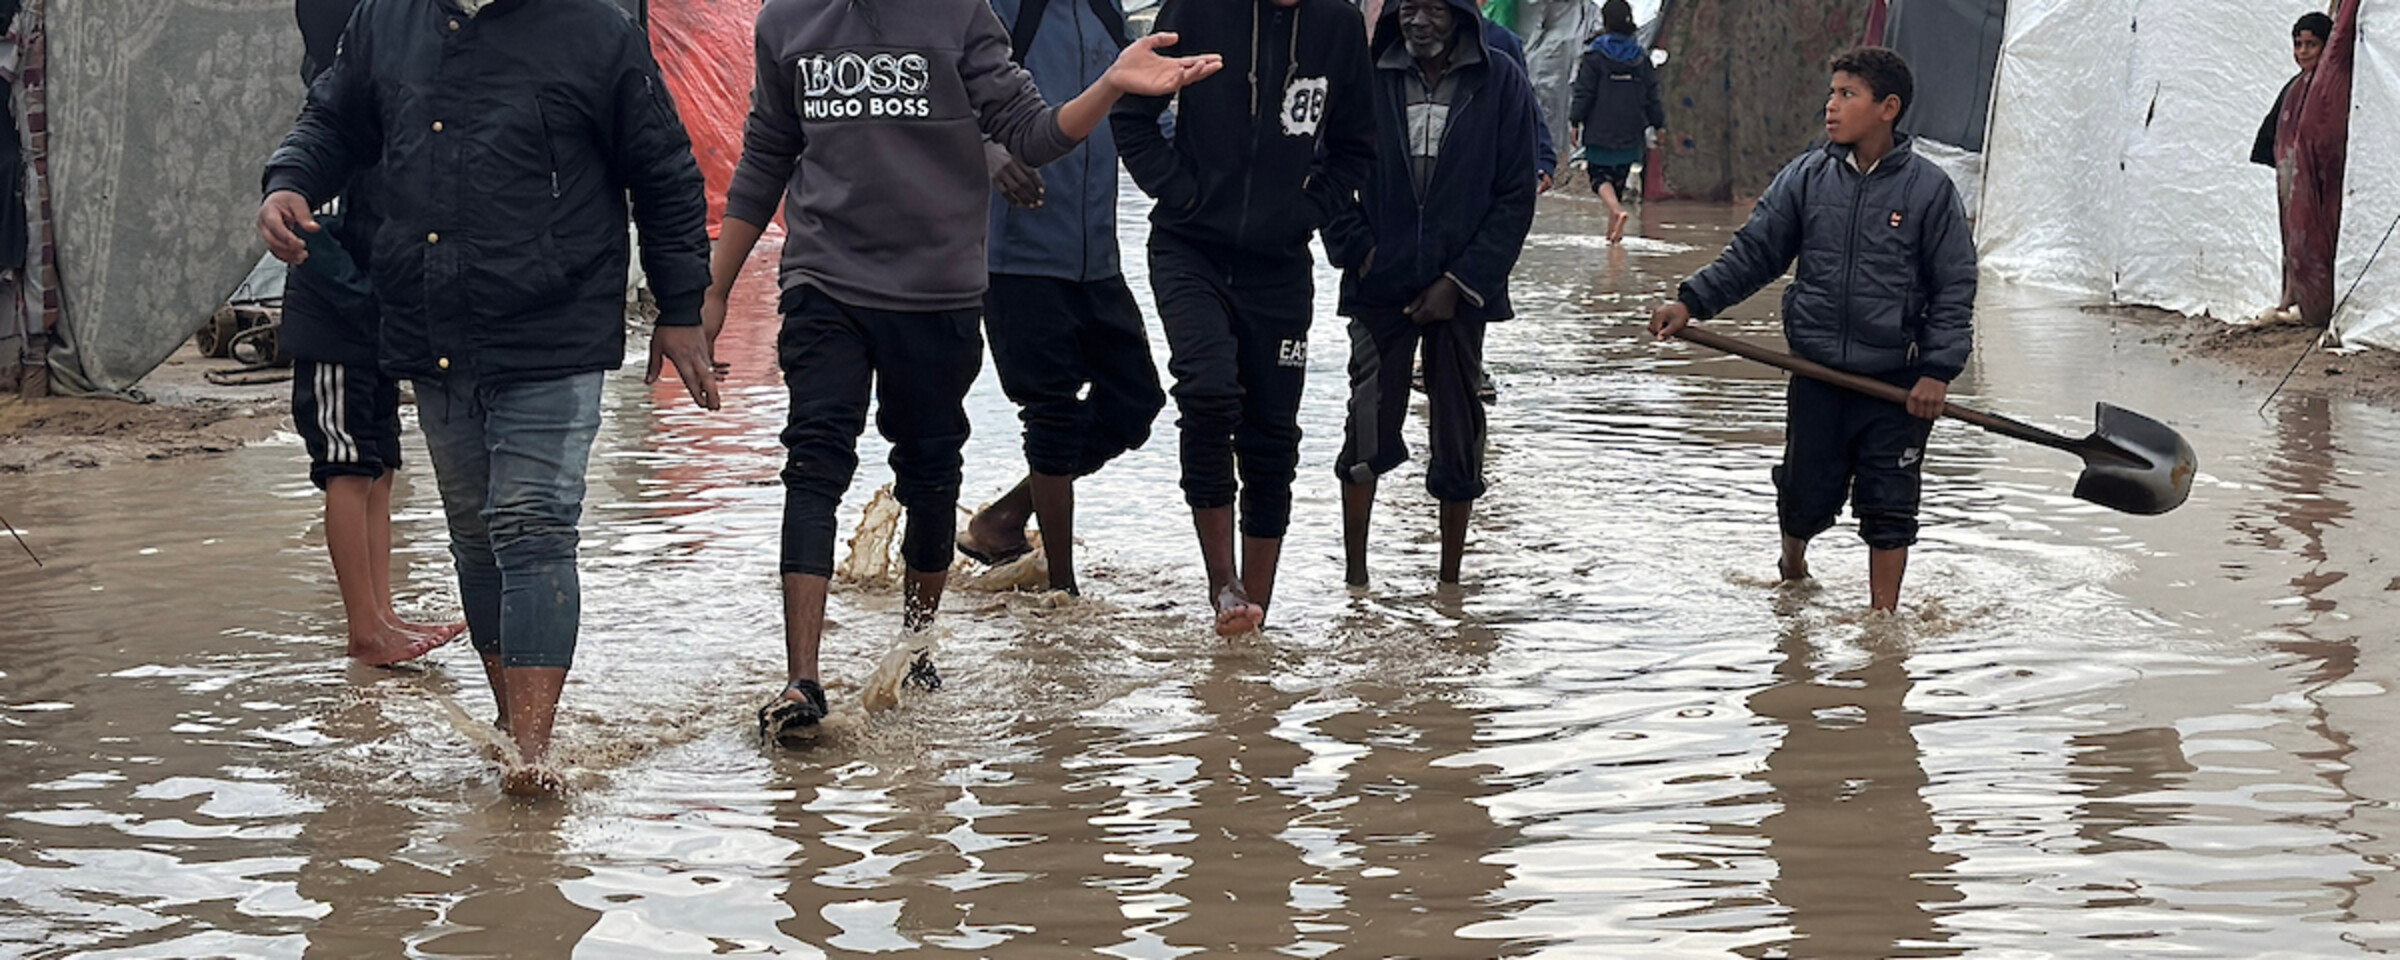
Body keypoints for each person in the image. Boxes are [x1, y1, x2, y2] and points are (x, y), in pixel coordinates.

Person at [707, 0, 1221, 744]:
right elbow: (765, 154)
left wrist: (1112, 84)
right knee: (814, 456)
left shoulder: (960, 14)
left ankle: (916, 646)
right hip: (824, 277)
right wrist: (714, 290)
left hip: (936, 290)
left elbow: (1035, 135)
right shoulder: (786, 20)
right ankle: (802, 680)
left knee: (930, 470)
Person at [259, 0, 720, 797]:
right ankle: (514, 728)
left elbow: (666, 173)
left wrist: (681, 312)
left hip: (556, 321)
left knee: (532, 523)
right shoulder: (385, 20)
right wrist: (290, 182)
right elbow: (334, 119)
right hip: (432, 321)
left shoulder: (594, 29)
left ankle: (534, 758)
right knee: (476, 537)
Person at [1647, 47, 1975, 613]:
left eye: (1848, 95)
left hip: (1896, 384)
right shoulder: (1806, 178)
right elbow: (1754, 254)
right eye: (1832, 93)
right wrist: (1691, 301)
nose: (1831, 105)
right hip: (1816, 370)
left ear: (1888, 108)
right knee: (1803, 492)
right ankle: (1793, 570)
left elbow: (1954, 287)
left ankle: (1884, 622)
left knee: (1890, 503)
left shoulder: (1929, 192)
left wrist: (1937, 373)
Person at [1111, 0, 1376, 637]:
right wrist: (1184, 191)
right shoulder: (1198, 9)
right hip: (1189, 246)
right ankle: (1222, 582)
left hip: (1279, 262)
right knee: (1207, 389)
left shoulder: (1336, 27)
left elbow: (1357, 148)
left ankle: (1253, 610)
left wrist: (1306, 211)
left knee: (1272, 433)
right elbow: (1131, 116)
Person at [956, 0, 1168, 598]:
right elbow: (941, 99)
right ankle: (1062, 592)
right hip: (1013, 253)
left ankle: (1004, 518)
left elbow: (1141, 110)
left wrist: (1196, 179)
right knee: (1048, 409)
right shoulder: (1000, 8)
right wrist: (989, 152)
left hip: (1095, 255)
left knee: (1136, 403)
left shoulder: (1104, 11)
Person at [1325, 0, 1537, 588]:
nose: (1419, 22)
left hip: (1463, 291)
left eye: (1434, 9)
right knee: (1365, 425)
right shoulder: (1365, 76)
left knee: (1458, 427)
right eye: (1407, 8)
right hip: (1378, 285)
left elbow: (1516, 195)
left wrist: (1462, 281)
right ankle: (1356, 584)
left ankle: (1450, 585)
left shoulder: (1501, 81)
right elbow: (1326, 169)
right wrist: (1356, 246)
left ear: (1462, 14)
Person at [282, 0, 465, 668]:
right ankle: (364, 624)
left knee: (380, 466)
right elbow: (320, 249)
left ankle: (381, 614)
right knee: (348, 469)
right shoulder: (333, 137)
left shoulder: (385, 121)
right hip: (335, 323)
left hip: (373, 321)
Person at [2249, 11, 2335, 326]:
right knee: (2293, 237)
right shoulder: (2295, 88)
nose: (2302, 52)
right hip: (2293, 182)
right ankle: (2291, 297)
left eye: (2311, 44)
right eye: (2298, 44)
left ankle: (2317, 303)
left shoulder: (2332, 89)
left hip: (2321, 184)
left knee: (2318, 237)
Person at [1569, 0, 1662, 243]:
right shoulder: (1641, 57)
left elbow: (1584, 92)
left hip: (1600, 125)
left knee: (1598, 176)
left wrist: (1575, 120)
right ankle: (1613, 237)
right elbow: (1652, 93)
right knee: (1619, 178)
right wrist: (1657, 123)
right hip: (1631, 126)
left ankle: (1617, 213)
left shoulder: (1594, 55)